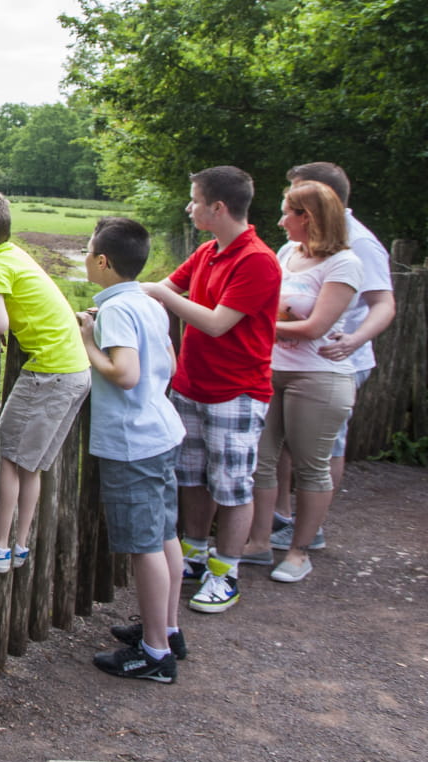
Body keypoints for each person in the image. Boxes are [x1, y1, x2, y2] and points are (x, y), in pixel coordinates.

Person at [141, 166, 280, 614]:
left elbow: (218, 323)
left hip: (235, 392)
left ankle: (226, 573)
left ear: (218, 207)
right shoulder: (208, 252)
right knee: (192, 477)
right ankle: (196, 556)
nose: (189, 207)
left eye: (195, 200)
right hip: (192, 385)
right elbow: (166, 287)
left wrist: (161, 296)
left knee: (233, 487)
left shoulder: (256, 260)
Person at [0, 189, 91, 574]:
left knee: (6, 457)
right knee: (29, 466)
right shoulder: (10, 254)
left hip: (49, 373)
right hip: (74, 370)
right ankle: (18, 544)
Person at [259, 162, 397, 556]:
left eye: (297, 198)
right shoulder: (294, 247)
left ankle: (310, 530)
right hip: (287, 359)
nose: (285, 214)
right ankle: (282, 517)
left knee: (322, 448)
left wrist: (353, 340)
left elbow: (383, 303)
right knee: (281, 446)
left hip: (332, 358)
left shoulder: (359, 245)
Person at [77, 217, 187, 682]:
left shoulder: (119, 312)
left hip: (132, 443)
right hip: (161, 431)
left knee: (144, 547)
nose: (85, 257)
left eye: (87, 250)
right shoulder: (148, 304)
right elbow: (170, 362)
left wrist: (87, 341)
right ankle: (169, 628)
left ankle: (155, 653)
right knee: (165, 536)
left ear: (102, 261)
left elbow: (125, 373)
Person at [239, 181, 362, 583]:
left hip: (319, 376)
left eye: (287, 212)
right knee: (262, 458)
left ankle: (298, 551)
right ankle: (258, 542)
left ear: (307, 217)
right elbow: (279, 310)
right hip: (271, 369)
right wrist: (281, 322)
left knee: (311, 466)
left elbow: (314, 327)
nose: (280, 221)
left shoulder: (344, 264)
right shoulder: (287, 253)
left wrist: (267, 324)